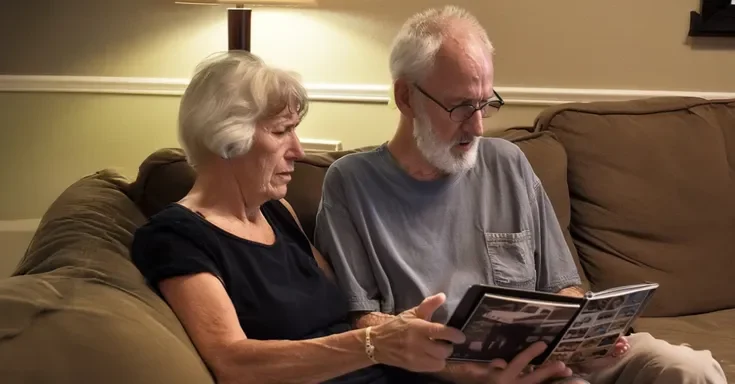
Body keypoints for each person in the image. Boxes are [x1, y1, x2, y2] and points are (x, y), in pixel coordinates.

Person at [313, 5, 727, 384]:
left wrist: (589, 338)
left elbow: (564, 289)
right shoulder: (351, 183)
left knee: (687, 368)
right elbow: (364, 325)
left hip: (553, 358)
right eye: (460, 106)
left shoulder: (508, 162)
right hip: (455, 375)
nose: (477, 127)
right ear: (406, 97)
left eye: (485, 103)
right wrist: (470, 374)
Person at [129, 51, 485, 384]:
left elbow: (346, 310)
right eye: (282, 131)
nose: (298, 150)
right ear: (226, 140)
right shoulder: (176, 237)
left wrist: (402, 332)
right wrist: (373, 343)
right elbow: (232, 361)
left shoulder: (275, 211)